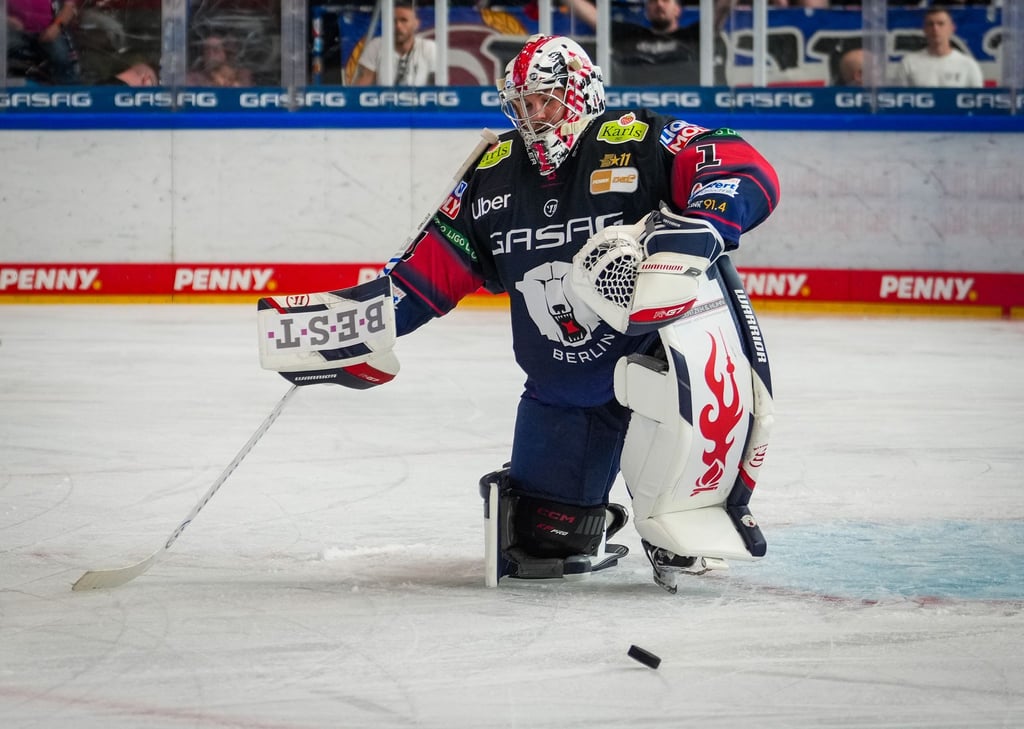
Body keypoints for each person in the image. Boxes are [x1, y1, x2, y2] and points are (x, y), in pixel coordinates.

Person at [305, 35, 779, 592]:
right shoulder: (495, 168)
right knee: (542, 545)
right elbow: (428, 273)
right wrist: (352, 324)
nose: (534, 117)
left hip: (664, 363)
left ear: (580, 95)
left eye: (546, 100)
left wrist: (707, 222)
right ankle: (594, 517)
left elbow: (744, 166)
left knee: (682, 533)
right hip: (564, 381)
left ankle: (680, 516)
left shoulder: (639, 138)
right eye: (523, 104)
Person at [562, 0, 730, 85]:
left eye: (665, 0)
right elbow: (593, 16)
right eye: (653, 1)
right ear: (647, 10)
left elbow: (722, 8)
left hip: (691, 111)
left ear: (677, 9)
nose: (658, 4)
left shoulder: (695, 35)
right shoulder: (630, 35)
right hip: (637, 110)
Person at [892, 7, 984, 88]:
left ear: (952, 28)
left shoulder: (968, 65)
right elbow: (899, 102)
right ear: (924, 29)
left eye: (941, 24)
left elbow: (977, 103)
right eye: (930, 24)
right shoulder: (908, 63)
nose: (935, 29)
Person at [351, 0, 437, 86]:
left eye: (404, 20)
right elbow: (361, 86)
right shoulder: (376, 46)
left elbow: (438, 89)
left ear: (416, 24)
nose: (398, 26)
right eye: (393, 21)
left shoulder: (429, 48)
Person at [6, 0, 80, 84]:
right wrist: (6, 19)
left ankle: (69, 91)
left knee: (62, 58)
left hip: (48, 30)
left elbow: (69, 7)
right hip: (11, 30)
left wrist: (56, 27)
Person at [186, 34, 253, 87]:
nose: (210, 55)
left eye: (216, 50)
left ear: (226, 54)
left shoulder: (241, 75)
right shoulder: (194, 78)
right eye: (206, 51)